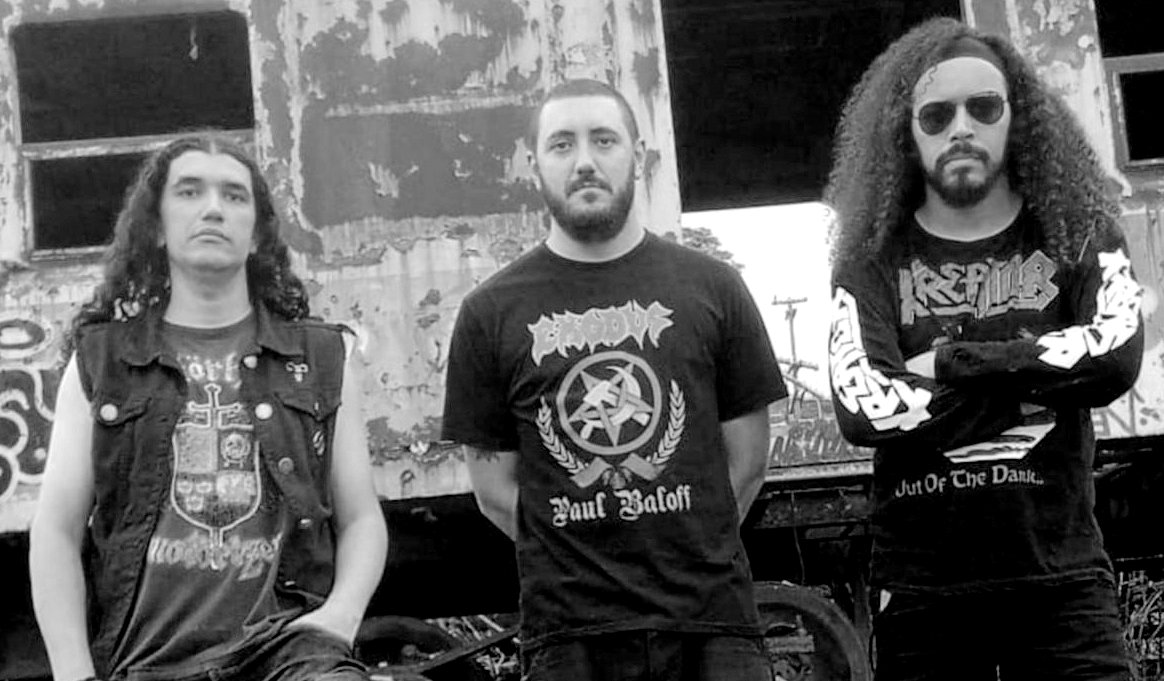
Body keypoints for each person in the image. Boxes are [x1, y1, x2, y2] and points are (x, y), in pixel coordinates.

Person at [825, 17, 1144, 681]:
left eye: (983, 107)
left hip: (1063, 580)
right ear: (907, 132)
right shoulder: (869, 262)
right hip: (922, 594)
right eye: (937, 114)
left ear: (1016, 116)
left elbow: (1114, 356)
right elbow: (865, 406)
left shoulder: (1079, 234)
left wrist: (950, 364)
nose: (961, 128)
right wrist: (1038, 381)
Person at [441, 79, 787, 680]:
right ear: (534, 164)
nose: (584, 161)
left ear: (638, 155)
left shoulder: (714, 288)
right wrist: (582, 558)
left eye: (604, 140)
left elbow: (749, 462)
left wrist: (689, 545)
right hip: (570, 640)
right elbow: (493, 491)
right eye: (562, 144)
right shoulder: (488, 313)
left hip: (713, 629)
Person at [29, 132, 388, 681]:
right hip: (145, 659)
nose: (214, 209)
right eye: (190, 191)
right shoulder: (102, 361)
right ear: (156, 225)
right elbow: (56, 529)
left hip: (286, 653)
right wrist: (73, 673)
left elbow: (361, 517)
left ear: (258, 232)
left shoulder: (322, 357)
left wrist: (340, 616)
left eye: (234, 195)